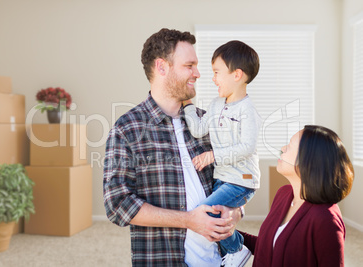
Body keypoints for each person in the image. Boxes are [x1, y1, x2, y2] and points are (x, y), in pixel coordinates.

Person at [103, 28, 243, 266]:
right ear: (161, 67)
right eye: (189, 65)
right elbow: (117, 204)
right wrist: (188, 220)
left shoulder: (209, 122)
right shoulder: (127, 129)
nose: (198, 73)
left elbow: (234, 178)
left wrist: (235, 212)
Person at [182, 40, 261, 265]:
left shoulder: (248, 111)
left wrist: (213, 156)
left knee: (203, 212)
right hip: (222, 178)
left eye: (217, 72)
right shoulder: (216, 104)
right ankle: (229, 251)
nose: (213, 78)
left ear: (236, 75)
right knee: (217, 217)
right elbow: (198, 129)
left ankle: (237, 248)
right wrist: (187, 104)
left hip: (242, 181)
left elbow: (247, 146)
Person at [238, 125, 354, 266]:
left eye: (290, 145)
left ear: (308, 160)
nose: (283, 148)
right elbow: (270, 247)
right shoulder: (284, 194)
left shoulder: (326, 219)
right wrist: (228, 234)